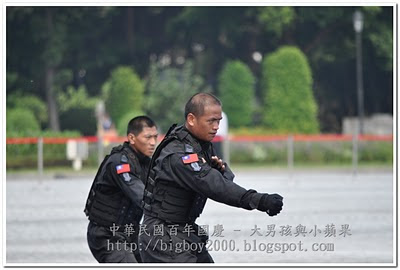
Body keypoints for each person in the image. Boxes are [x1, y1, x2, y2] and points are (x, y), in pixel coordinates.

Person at [140, 93, 283, 263]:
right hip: (163, 236)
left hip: (182, 230)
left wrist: (220, 171)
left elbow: (222, 182)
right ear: (192, 119)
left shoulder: (200, 145)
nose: (216, 127)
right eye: (211, 121)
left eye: (218, 121)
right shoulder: (179, 154)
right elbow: (213, 185)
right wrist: (258, 200)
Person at [84, 116, 158, 263]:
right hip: (106, 235)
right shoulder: (119, 163)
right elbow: (140, 194)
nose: (153, 143)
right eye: (148, 137)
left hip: (131, 233)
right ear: (132, 138)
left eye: (155, 137)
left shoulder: (147, 163)